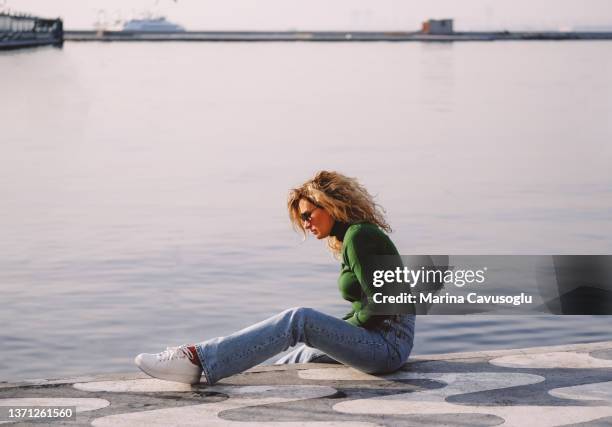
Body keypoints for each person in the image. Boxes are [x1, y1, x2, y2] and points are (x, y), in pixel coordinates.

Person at [135, 171, 416, 384]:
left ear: (329, 205)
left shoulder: (360, 235)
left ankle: (198, 359)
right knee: (300, 355)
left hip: (386, 346)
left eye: (308, 214)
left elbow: (383, 304)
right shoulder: (353, 236)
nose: (306, 223)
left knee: (300, 320)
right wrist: (338, 329)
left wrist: (339, 328)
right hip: (383, 342)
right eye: (302, 218)